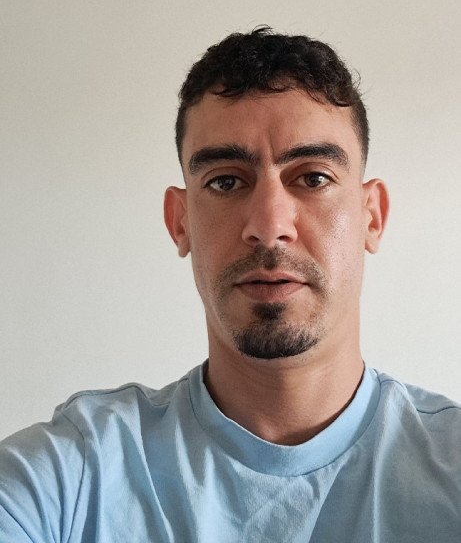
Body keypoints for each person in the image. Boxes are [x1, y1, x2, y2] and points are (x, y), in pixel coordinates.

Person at [1, 26, 460, 542]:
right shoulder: (75, 474)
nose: (269, 225)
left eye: (313, 178)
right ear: (180, 222)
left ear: (371, 217)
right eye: (225, 181)